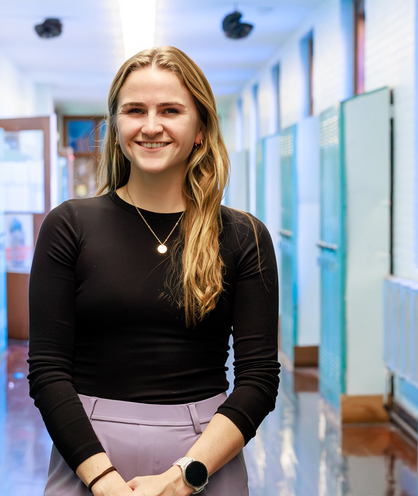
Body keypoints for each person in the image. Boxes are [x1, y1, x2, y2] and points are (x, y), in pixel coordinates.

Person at [28, 46, 279, 496]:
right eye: (134, 110)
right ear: (116, 125)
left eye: (170, 110)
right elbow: (47, 370)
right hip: (87, 450)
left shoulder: (244, 236)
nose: (150, 125)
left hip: (205, 452)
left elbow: (259, 379)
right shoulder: (69, 225)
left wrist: (185, 476)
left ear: (200, 127)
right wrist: (103, 481)